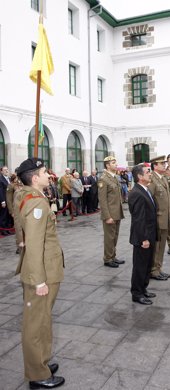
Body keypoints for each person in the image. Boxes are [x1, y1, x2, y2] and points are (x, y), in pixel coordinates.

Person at [16, 157, 65, 389]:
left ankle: (41, 362)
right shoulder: (36, 203)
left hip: (45, 267)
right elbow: (34, 244)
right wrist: (38, 281)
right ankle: (37, 374)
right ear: (35, 178)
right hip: (42, 270)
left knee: (43, 320)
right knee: (36, 324)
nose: (49, 175)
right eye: (45, 172)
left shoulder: (28, 194)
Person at [128, 164, 157, 305]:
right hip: (142, 237)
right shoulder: (137, 193)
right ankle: (137, 293)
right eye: (148, 172)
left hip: (149, 234)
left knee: (147, 265)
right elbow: (139, 220)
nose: (150, 174)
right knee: (140, 266)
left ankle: (143, 288)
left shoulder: (144, 190)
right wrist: (144, 239)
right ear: (140, 176)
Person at [98, 156, 125, 268]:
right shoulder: (103, 179)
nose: (116, 164)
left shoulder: (114, 177)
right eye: (113, 163)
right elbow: (102, 200)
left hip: (117, 212)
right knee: (109, 237)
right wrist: (107, 216)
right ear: (107, 165)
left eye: (115, 162)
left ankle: (113, 256)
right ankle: (108, 258)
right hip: (110, 214)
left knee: (115, 236)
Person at [148, 155, 170, 281]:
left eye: (164, 163)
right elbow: (149, 200)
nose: (164, 165)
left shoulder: (162, 179)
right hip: (157, 219)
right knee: (156, 246)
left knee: (162, 246)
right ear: (155, 166)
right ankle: (153, 270)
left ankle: (158, 268)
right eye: (161, 163)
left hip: (165, 218)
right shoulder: (152, 180)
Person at [0, 165, 14, 236]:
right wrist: (2, 201)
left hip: (9, 201)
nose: (6, 171)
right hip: (4, 201)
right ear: (1, 171)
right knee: (3, 216)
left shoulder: (9, 179)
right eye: (4, 170)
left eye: (7, 169)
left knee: (8, 215)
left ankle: (8, 229)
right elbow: (1, 191)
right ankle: (3, 230)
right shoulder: (1, 179)